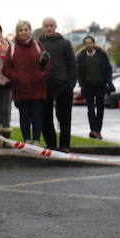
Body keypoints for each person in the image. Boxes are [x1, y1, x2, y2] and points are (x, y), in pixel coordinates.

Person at [3, 20, 50, 144]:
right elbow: (6, 69)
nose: (24, 32)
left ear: (30, 31)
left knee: (37, 116)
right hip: (21, 89)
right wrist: (16, 77)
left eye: (26, 29)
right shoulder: (12, 48)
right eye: (21, 30)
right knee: (24, 117)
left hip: (37, 88)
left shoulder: (38, 45)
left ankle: (36, 140)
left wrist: (42, 75)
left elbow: (48, 64)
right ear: (17, 32)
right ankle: (27, 141)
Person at [37, 17, 77, 151]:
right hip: (44, 86)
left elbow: (72, 64)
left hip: (63, 86)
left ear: (55, 27)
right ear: (43, 27)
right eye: (46, 26)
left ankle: (65, 145)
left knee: (65, 118)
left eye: (51, 25)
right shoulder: (38, 44)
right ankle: (51, 144)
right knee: (46, 118)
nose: (49, 28)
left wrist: (71, 83)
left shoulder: (65, 43)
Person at [75, 34, 113, 139]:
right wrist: (82, 84)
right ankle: (93, 130)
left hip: (100, 85)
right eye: (86, 43)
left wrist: (108, 82)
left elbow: (108, 69)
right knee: (90, 109)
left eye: (90, 43)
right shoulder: (81, 57)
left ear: (94, 43)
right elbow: (79, 72)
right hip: (88, 86)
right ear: (84, 45)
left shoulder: (101, 55)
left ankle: (98, 130)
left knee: (100, 108)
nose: (88, 45)